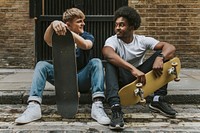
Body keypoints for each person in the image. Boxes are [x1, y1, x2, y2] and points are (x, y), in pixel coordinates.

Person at [15, 8, 110, 125]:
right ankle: (33, 107)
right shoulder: (58, 37)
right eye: (79, 21)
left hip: (82, 79)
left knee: (96, 62)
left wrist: (70, 33)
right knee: (41, 65)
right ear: (68, 24)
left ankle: (98, 106)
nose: (83, 23)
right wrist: (52, 24)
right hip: (63, 80)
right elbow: (47, 40)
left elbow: (86, 45)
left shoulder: (87, 35)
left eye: (83, 21)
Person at [102, 6, 177, 130]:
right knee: (110, 62)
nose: (117, 28)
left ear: (132, 27)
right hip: (122, 79)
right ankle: (115, 108)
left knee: (164, 56)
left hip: (141, 78)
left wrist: (161, 57)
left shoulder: (142, 40)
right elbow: (107, 53)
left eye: (121, 25)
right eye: (116, 25)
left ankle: (158, 99)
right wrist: (132, 69)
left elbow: (170, 47)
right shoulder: (112, 40)